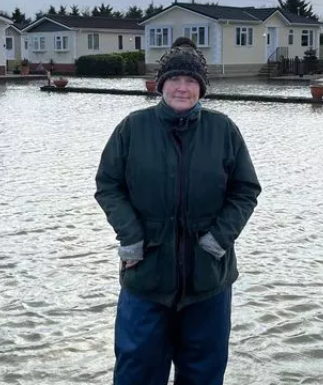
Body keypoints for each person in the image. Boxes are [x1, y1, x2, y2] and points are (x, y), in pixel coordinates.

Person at [95, 37, 262, 385]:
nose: (182, 88)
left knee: (203, 373)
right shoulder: (132, 128)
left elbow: (245, 190)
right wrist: (130, 236)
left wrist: (219, 238)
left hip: (208, 280)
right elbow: (109, 185)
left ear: (201, 88)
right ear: (161, 85)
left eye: (190, 81)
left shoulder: (224, 130)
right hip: (146, 277)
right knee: (137, 370)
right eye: (174, 80)